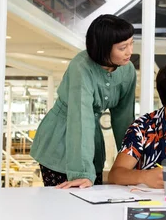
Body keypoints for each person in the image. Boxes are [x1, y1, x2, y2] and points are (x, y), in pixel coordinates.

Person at [30, 14, 136, 188]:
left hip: (91, 141)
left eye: (131, 43)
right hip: (60, 141)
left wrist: (131, 163)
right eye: (123, 47)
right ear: (103, 48)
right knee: (67, 205)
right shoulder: (81, 67)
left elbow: (124, 118)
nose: (129, 52)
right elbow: (80, 118)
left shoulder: (128, 70)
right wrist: (81, 173)